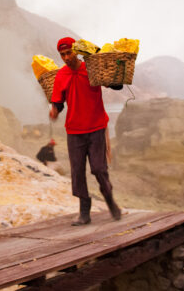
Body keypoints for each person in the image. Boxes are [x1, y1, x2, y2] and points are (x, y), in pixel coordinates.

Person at [49, 36, 122, 226]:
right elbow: (58, 102)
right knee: (77, 171)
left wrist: (115, 75)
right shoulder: (61, 76)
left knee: (99, 169)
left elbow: (116, 85)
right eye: (62, 54)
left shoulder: (91, 68)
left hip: (96, 127)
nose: (66, 57)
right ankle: (84, 211)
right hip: (74, 131)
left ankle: (110, 200)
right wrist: (55, 110)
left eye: (69, 53)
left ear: (76, 51)